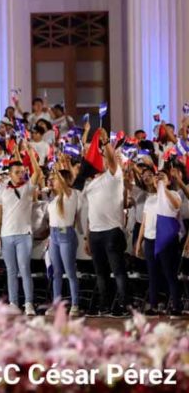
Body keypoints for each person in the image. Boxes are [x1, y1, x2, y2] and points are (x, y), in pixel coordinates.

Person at [82, 130, 129, 317]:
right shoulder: (90, 184)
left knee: (118, 271)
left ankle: (125, 305)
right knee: (100, 273)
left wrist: (105, 142)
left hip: (112, 232)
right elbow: (90, 213)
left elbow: (111, 160)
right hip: (95, 233)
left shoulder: (114, 176)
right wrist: (87, 236)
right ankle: (105, 305)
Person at [0, 144, 42, 316]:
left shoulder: (28, 187)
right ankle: (14, 303)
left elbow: (38, 173)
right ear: (10, 174)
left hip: (24, 234)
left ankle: (28, 303)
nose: (21, 175)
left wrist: (29, 153)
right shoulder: (2, 190)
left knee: (24, 269)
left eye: (22, 172)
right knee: (11, 271)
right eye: (17, 172)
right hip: (6, 235)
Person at [138, 172, 182, 317]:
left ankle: (176, 306)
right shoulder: (150, 199)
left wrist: (164, 189)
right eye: (157, 178)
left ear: (168, 181)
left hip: (165, 239)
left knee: (169, 273)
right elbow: (144, 222)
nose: (159, 180)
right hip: (150, 239)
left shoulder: (174, 194)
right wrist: (139, 242)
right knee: (152, 274)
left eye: (162, 177)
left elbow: (177, 206)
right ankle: (154, 305)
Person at [45, 168, 82, 317]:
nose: (52, 181)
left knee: (70, 272)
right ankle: (56, 304)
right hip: (53, 235)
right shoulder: (54, 198)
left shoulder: (71, 195)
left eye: (55, 179)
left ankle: (75, 304)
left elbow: (64, 185)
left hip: (66, 234)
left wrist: (58, 170)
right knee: (56, 272)